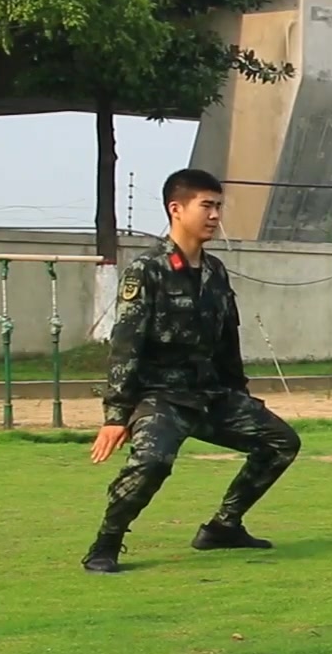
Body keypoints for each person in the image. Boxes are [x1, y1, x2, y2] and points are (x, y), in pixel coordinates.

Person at [81, 169, 301, 574]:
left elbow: (227, 341)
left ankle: (223, 527)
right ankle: (106, 543)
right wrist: (116, 415)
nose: (215, 215)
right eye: (207, 206)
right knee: (152, 463)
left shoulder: (216, 271)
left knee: (281, 442)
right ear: (176, 209)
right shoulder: (147, 270)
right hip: (161, 396)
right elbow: (126, 344)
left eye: (219, 206)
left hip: (211, 394)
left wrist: (240, 393)